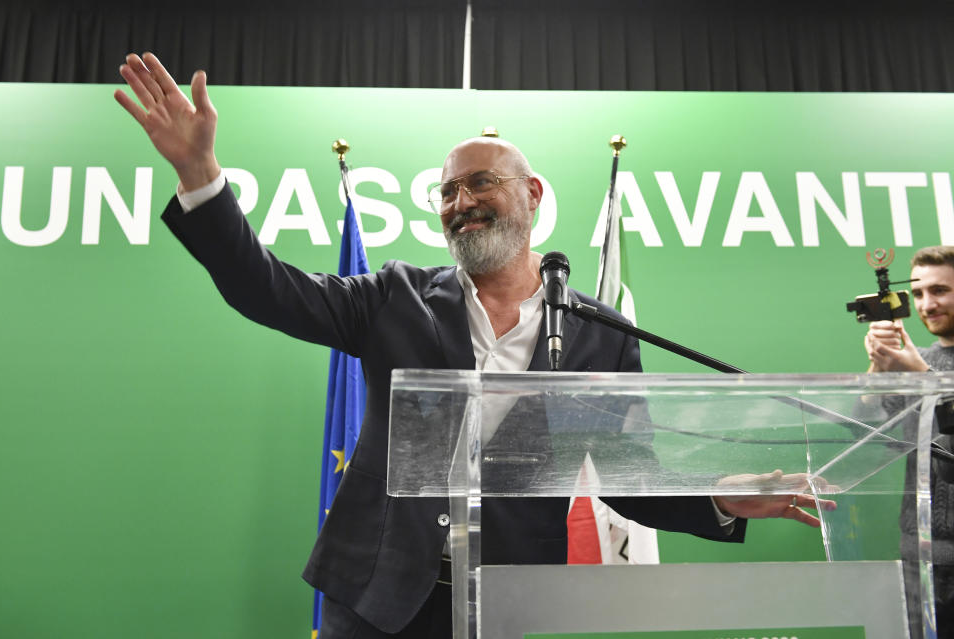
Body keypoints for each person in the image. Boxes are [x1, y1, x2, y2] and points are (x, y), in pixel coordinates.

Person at [115, 51, 834, 639]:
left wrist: (721, 496)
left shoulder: (597, 334)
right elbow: (265, 288)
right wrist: (200, 177)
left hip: (508, 603)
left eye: (479, 183)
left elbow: (624, 474)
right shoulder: (392, 295)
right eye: (446, 191)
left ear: (533, 193)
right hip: (375, 602)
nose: (460, 202)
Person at [864, 245, 954, 639]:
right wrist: (879, 368)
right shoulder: (919, 359)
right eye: (916, 293)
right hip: (920, 556)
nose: (926, 304)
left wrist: (921, 374)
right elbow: (868, 433)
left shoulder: (920, 364)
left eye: (939, 291)